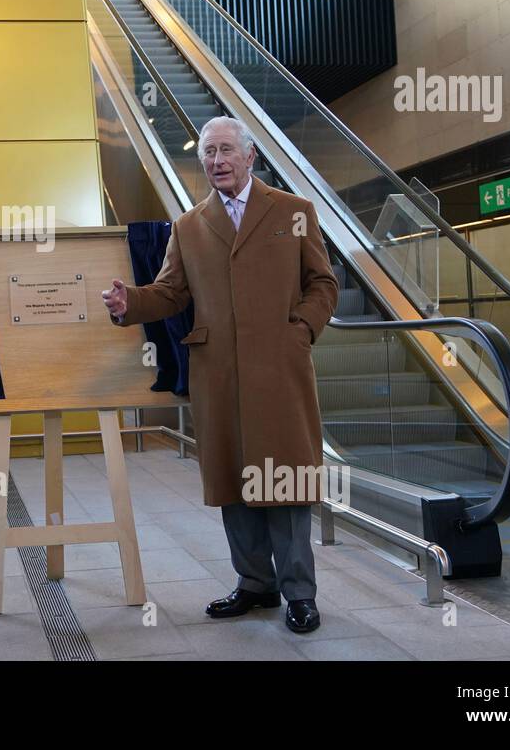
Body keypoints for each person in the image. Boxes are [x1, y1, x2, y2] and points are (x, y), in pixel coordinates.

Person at [101, 116, 337, 634]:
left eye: (226, 150)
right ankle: (255, 584)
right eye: (208, 152)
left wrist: (300, 330)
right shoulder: (188, 226)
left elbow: (321, 281)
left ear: (251, 156)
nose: (217, 161)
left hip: (280, 369)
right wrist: (129, 303)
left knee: (287, 480)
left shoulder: (294, 212)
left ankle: (299, 593)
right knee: (233, 480)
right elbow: (170, 293)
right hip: (219, 373)